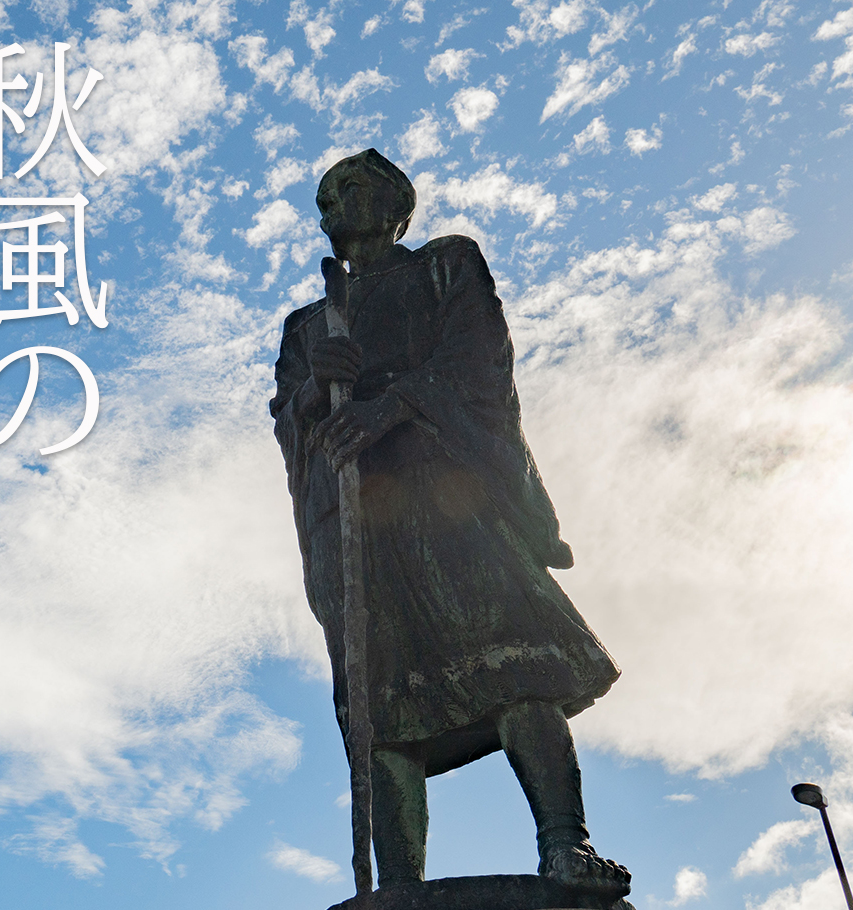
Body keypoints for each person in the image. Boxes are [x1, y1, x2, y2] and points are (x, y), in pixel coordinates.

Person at [270, 148, 630, 896]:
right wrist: (314, 391)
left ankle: (566, 844)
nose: (333, 207)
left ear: (393, 201)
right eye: (324, 200)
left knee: (518, 660)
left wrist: (388, 406)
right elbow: (287, 419)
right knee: (379, 706)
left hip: (447, 494)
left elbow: (477, 358)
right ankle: (399, 885)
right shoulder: (306, 326)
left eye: (348, 189)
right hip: (352, 521)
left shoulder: (445, 266)